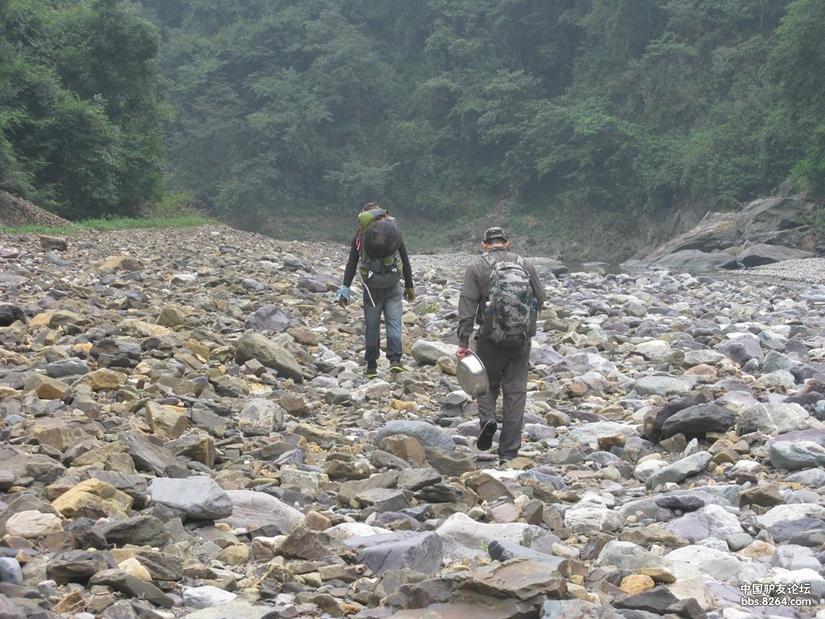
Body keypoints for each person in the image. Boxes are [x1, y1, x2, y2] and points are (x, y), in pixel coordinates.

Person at [456, 227, 544, 464]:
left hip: (489, 340)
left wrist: (463, 341)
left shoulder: (477, 266)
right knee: (515, 392)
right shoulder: (525, 264)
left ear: (485, 244)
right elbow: (541, 297)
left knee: (485, 384)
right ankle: (508, 453)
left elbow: (467, 305)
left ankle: (488, 421)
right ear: (507, 242)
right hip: (520, 341)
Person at [335, 203, 415, 379]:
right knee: (394, 322)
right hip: (393, 285)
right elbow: (405, 260)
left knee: (372, 326)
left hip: (371, 288)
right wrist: (409, 286)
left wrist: (345, 288)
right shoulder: (393, 232)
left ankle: (371, 366)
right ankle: (395, 361)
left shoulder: (360, 236)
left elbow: (351, 264)